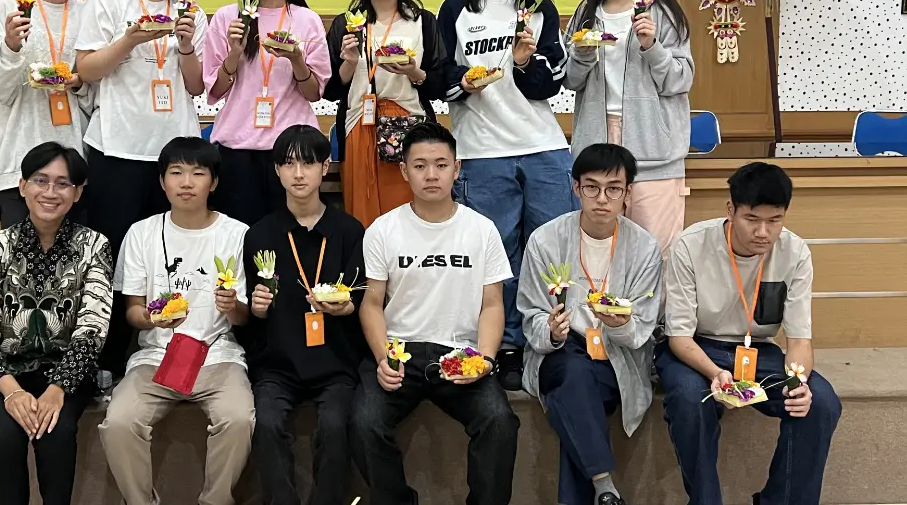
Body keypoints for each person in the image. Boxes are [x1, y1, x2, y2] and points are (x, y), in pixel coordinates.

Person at [438, 0, 577, 390]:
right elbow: (439, 77)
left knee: (552, 252)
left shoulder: (538, 7)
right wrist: (463, 81)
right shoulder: (456, 8)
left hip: (542, 146)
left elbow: (549, 85)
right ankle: (509, 344)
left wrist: (523, 62)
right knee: (498, 254)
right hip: (480, 150)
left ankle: (553, 338)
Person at [352, 121, 520, 505]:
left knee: (500, 421)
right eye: (420, 165)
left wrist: (485, 359)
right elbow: (372, 304)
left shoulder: (481, 230)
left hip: (462, 354)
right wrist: (382, 357)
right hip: (399, 351)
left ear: (457, 169)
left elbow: (493, 304)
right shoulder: (383, 230)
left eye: (441, 165)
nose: (431, 175)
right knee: (363, 422)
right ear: (404, 171)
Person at [657, 162, 842, 505]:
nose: (763, 232)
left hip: (757, 350)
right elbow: (679, 336)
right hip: (697, 349)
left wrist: (798, 381)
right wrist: (715, 373)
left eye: (775, 220)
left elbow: (799, 340)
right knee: (690, 399)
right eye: (752, 219)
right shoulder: (691, 245)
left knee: (819, 402)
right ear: (731, 210)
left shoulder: (795, 252)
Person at [75, 0, 207, 377]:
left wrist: (186, 45)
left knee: (171, 257)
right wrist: (130, 39)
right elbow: (86, 70)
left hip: (174, 156)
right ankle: (107, 359)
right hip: (117, 151)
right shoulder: (107, 1)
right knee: (112, 257)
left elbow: (197, 87)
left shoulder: (190, 11)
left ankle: (172, 353)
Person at [98, 137, 254, 505]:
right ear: (162, 181)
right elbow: (132, 311)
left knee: (238, 419)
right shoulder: (141, 234)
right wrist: (152, 318)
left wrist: (231, 305)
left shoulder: (238, 234)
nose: (186, 183)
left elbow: (244, 317)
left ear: (213, 182)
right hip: (155, 357)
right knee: (118, 422)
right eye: (176, 173)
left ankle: (215, 501)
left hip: (218, 354)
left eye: (198, 173)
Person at [0, 142, 113, 505]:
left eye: (63, 183)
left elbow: (92, 329)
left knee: (57, 433)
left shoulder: (95, 246)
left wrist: (58, 388)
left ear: (77, 193)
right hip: (4, 372)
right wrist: (12, 392)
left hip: (67, 371)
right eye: (40, 180)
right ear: (22, 186)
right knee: (1, 437)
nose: (50, 192)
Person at [518, 144, 662, 505]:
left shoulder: (644, 248)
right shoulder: (545, 240)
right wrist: (551, 331)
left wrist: (619, 325)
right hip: (561, 349)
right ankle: (604, 485)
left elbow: (643, 326)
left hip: (615, 355)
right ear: (576, 188)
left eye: (613, 189)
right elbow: (531, 314)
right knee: (573, 372)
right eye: (592, 187)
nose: (602, 198)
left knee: (574, 391)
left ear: (628, 193)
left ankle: (602, 489)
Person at [243, 125, 367, 505]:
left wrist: (347, 307)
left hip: (335, 361)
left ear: (325, 167)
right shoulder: (260, 234)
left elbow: (360, 297)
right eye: (289, 164)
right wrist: (256, 308)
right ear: (276, 170)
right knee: (266, 423)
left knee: (335, 425)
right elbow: (250, 313)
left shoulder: (349, 230)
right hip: (277, 363)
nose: (298, 174)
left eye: (308, 163)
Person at [565, 0, 694, 257]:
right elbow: (570, 80)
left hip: (654, 152)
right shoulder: (587, 12)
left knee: (656, 254)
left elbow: (681, 79)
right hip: (598, 149)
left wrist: (652, 46)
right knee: (600, 253)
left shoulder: (662, 11)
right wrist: (582, 54)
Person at [203, 0, 330, 226]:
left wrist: (297, 60)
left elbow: (314, 93)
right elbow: (215, 91)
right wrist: (234, 54)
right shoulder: (227, 18)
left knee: (290, 240)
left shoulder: (307, 20)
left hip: (292, 153)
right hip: (237, 151)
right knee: (240, 241)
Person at [324, 0, 447, 228]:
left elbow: (441, 83)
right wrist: (349, 64)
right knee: (363, 219)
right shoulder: (347, 24)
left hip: (411, 128)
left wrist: (414, 72)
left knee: (410, 218)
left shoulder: (422, 21)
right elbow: (329, 91)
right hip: (359, 126)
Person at [0, 0, 92, 228]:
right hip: (18, 158)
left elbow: (99, 91)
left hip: (73, 161)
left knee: (71, 255)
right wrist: (11, 46)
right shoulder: (10, 6)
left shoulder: (88, 12)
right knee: (20, 255)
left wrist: (78, 82)